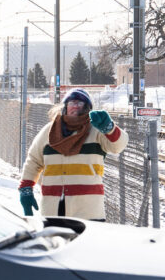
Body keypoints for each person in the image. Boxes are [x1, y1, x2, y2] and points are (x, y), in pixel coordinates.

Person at [19, 88, 128, 221]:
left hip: (88, 211)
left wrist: (109, 128)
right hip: (52, 210)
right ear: (65, 107)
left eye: (80, 103)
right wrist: (26, 188)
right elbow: (34, 160)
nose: (76, 106)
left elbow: (118, 146)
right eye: (72, 102)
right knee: (55, 242)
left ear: (88, 108)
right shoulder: (49, 131)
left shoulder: (96, 130)